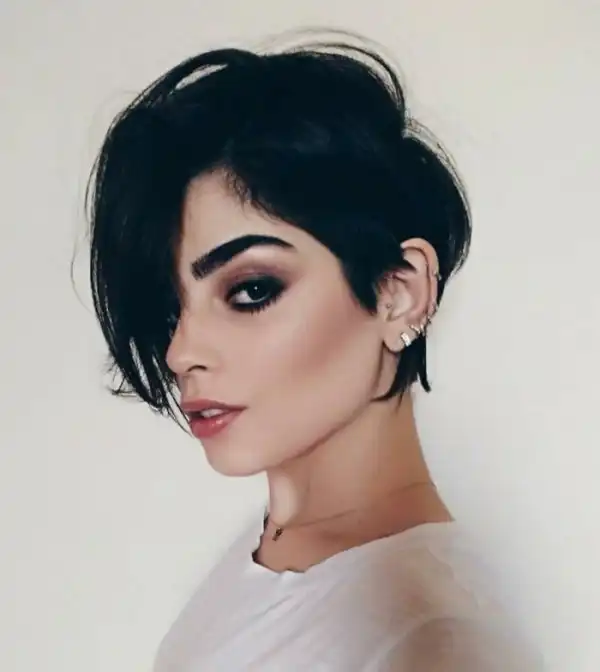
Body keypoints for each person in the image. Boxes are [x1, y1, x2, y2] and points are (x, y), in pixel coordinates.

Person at [87, 32, 542, 671]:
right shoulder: (265, 548)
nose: (180, 351)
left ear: (399, 292)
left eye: (251, 290)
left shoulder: (435, 642)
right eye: (173, 306)